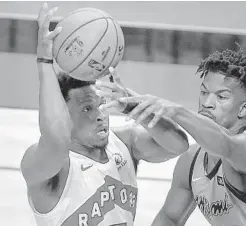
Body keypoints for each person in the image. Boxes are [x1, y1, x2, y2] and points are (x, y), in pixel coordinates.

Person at [20, 4, 189, 226]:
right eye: (87, 108)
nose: (100, 115)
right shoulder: (49, 165)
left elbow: (178, 145)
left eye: (101, 105)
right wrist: (45, 63)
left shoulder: (125, 143)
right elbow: (56, 141)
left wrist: (131, 105)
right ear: (64, 115)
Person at [118, 46, 246, 225]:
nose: (207, 103)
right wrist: (129, 104)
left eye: (221, 96)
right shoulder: (192, 161)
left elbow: (225, 145)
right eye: (204, 92)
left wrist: (176, 111)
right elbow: (170, 218)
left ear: (243, 109)